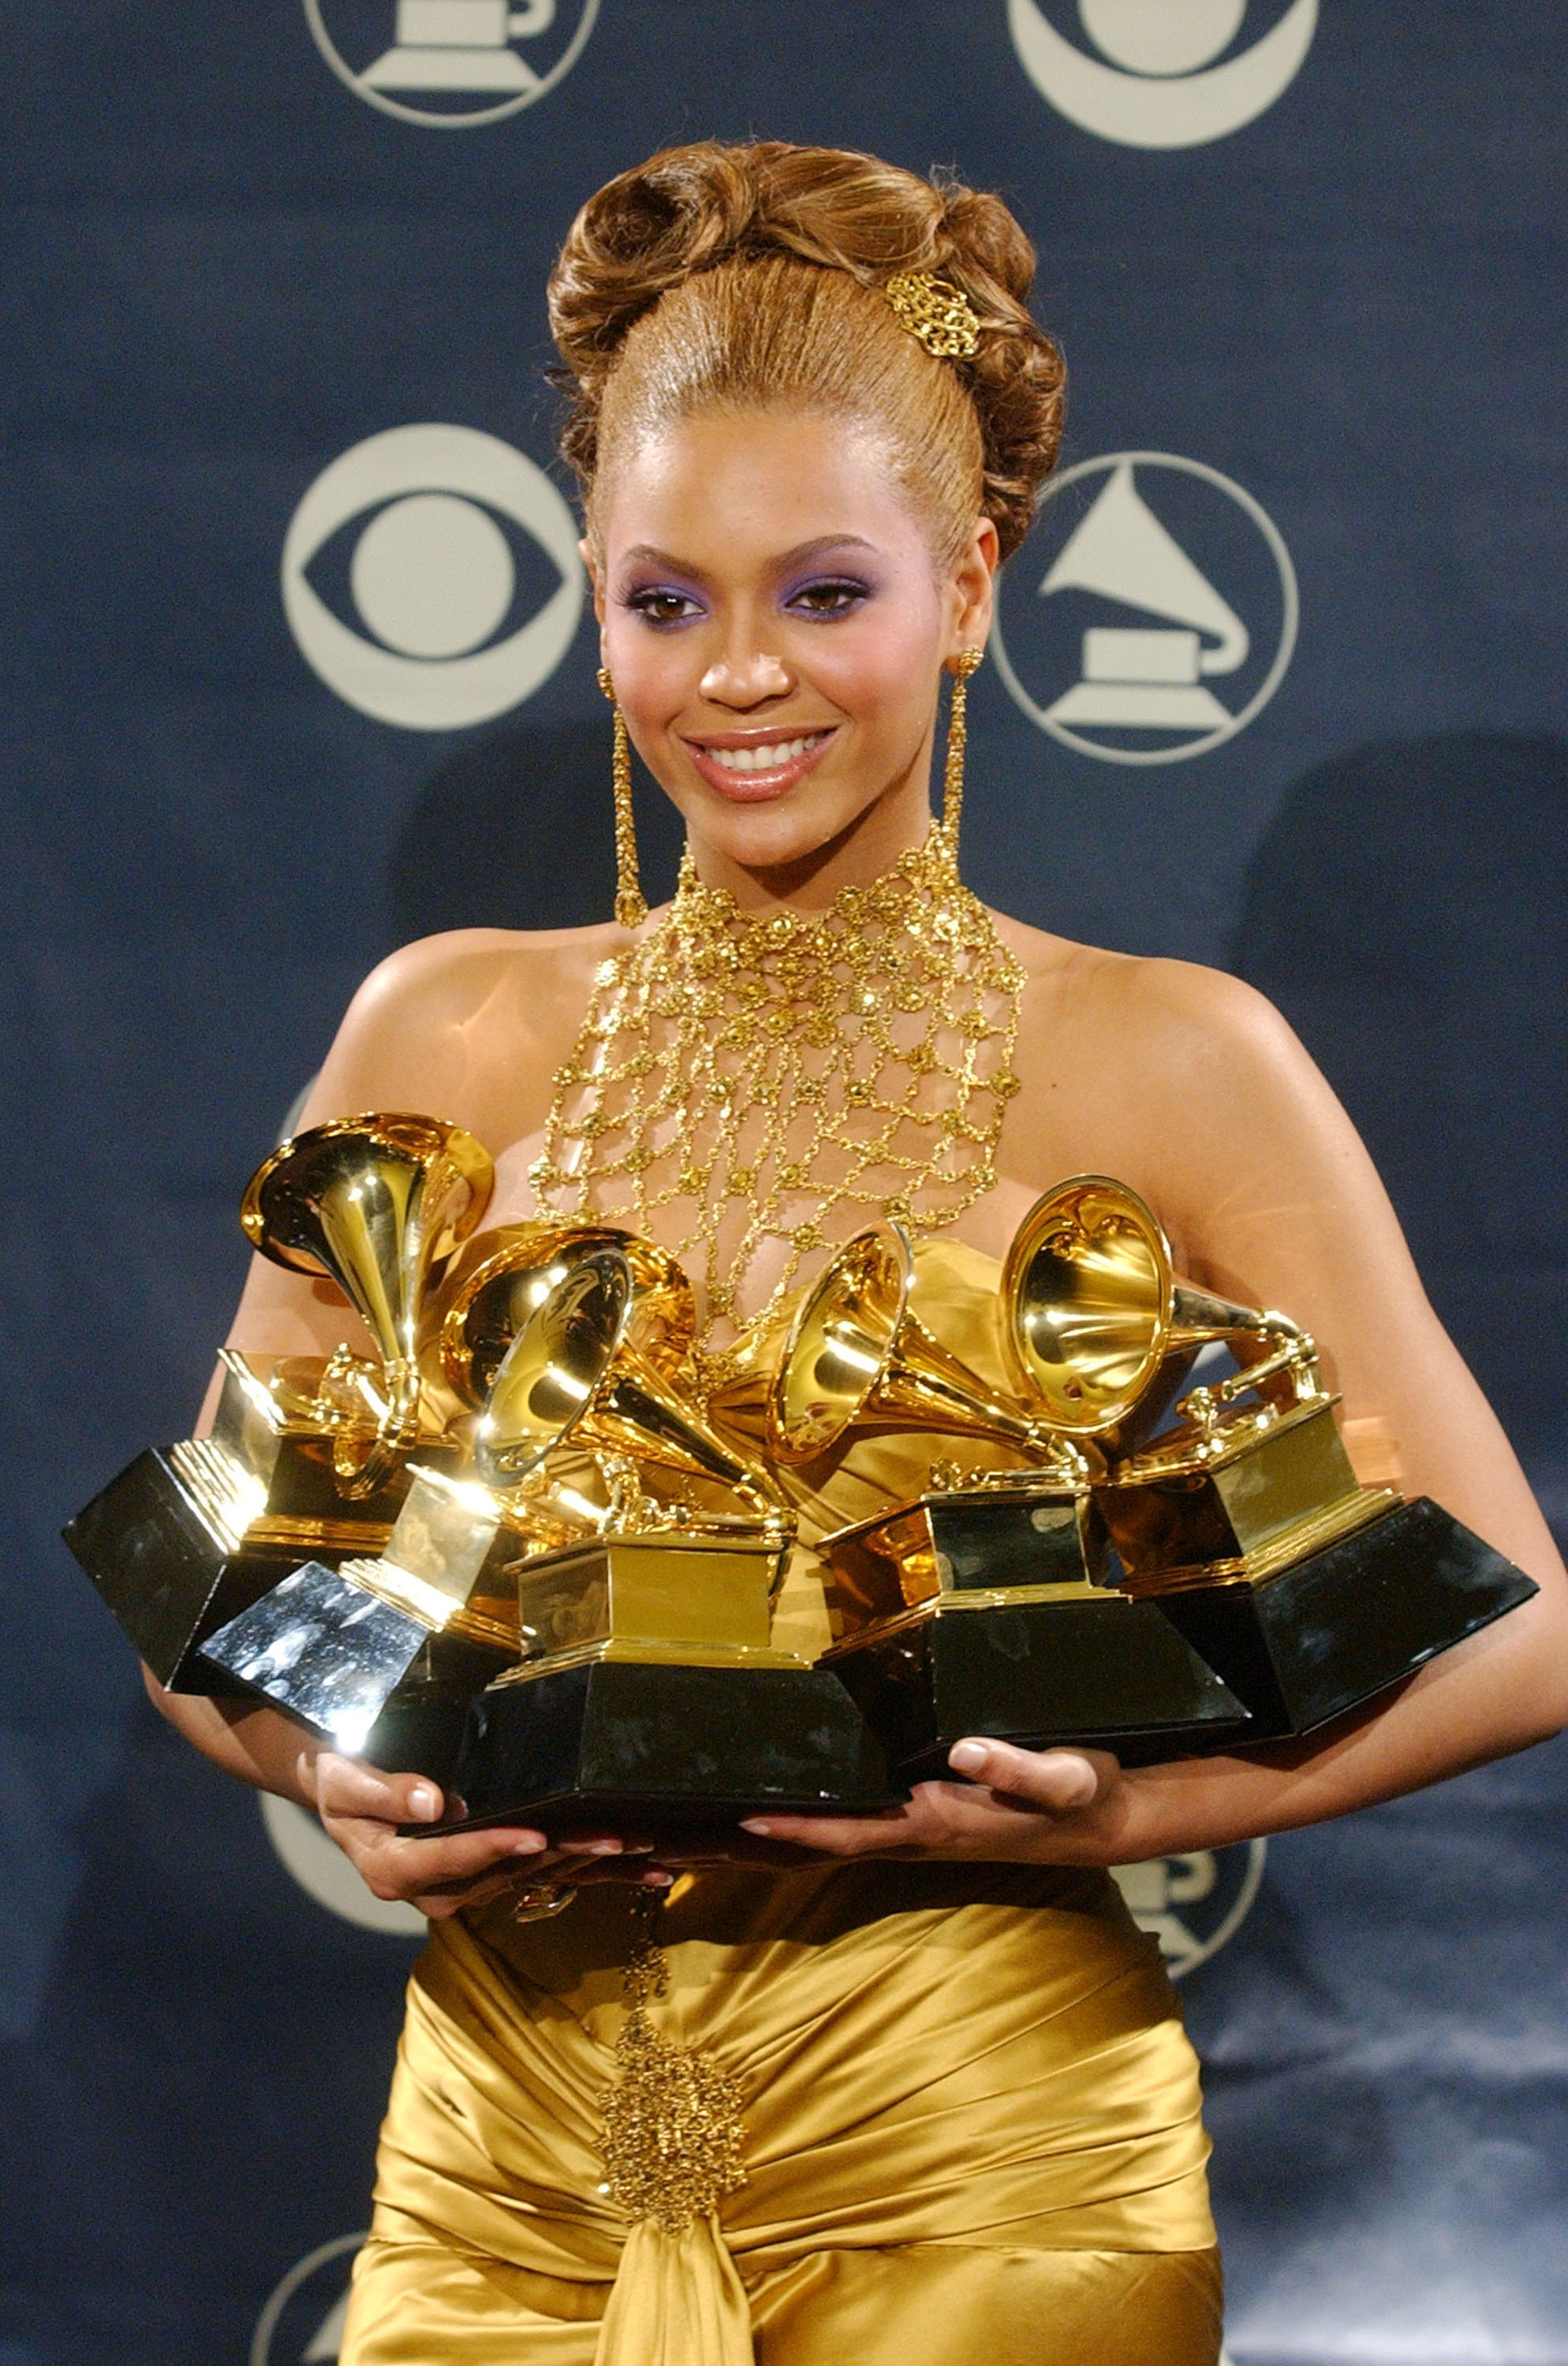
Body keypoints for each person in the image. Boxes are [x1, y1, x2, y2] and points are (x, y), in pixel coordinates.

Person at [147, 141, 1568, 2366]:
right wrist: (329, 1772)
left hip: (979, 2156)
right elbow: (217, 1607)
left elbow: (1517, 1618)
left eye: (823, 593)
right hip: (494, 2173)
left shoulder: (1169, 1059)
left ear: (974, 580)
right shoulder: (438, 1028)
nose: (735, 679)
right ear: (588, 597)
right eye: (661, 600)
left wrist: (1127, 1808)